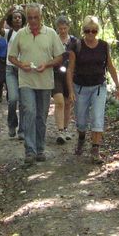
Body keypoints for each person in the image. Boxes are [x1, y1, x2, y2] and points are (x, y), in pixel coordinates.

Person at [8, 3, 65, 165]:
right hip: (26, 81)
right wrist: (21, 65)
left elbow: (60, 57)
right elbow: (11, 57)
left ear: (41, 17)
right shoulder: (21, 34)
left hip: (45, 82)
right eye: (30, 17)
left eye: (36, 17)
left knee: (41, 116)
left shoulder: (51, 33)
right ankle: (30, 151)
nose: (33, 21)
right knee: (29, 112)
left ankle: (40, 149)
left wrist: (46, 65)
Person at [67, 16, 119, 164]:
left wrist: (118, 87)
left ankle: (95, 149)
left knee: (97, 118)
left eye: (94, 31)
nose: (91, 34)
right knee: (81, 121)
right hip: (80, 87)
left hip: (99, 86)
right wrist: (70, 90)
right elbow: (70, 69)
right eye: (87, 31)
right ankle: (81, 138)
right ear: (83, 31)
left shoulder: (104, 46)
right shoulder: (76, 46)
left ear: (98, 31)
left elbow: (110, 66)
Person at [52, 15, 79, 145]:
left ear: (68, 27)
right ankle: (60, 131)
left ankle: (66, 128)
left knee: (68, 103)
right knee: (59, 102)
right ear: (57, 28)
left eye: (65, 28)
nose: (62, 31)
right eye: (60, 28)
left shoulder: (74, 41)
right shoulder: (53, 40)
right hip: (55, 74)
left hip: (70, 75)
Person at [3, 7, 25, 139]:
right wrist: (7, 13)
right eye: (15, 17)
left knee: (23, 101)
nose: (17, 19)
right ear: (11, 20)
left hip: (23, 69)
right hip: (10, 69)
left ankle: (22, 130)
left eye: (19, 17)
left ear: (23, 20)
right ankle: (12, 124)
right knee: (13, 99)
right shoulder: (8, 33)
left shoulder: (27, 32)